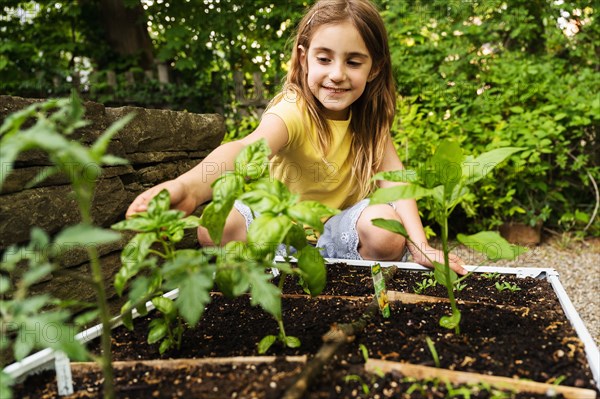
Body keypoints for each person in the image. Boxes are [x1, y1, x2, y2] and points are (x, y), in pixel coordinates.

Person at [126, 0, 467, 275]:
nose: (337, 74)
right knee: (217, 223)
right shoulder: (294, 110)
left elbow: (395, 182)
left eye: (353, 62)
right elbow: (245, 148)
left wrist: (420, 243)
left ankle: (350, 274)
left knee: (389, 229)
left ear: (374, 68)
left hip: (337, 233)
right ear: (304, 58)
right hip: (278, 230)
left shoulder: (370, 119)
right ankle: (257, 276)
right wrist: (190, 187)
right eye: (324, 58)